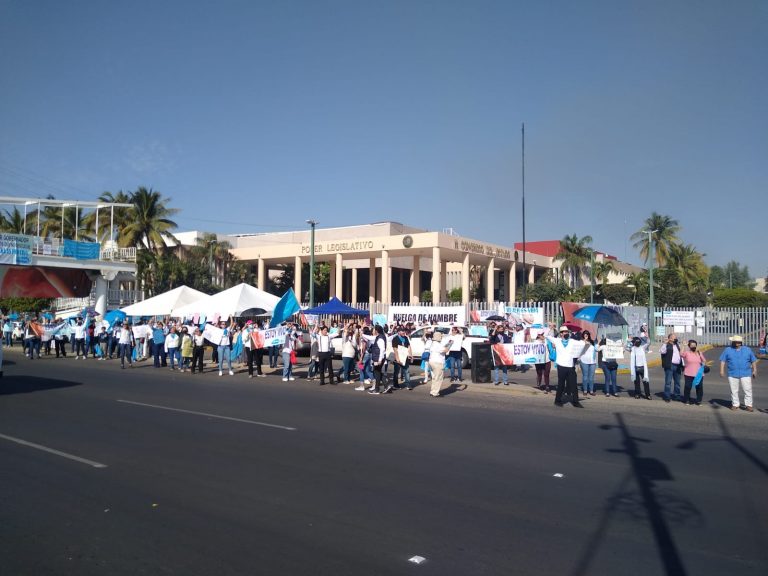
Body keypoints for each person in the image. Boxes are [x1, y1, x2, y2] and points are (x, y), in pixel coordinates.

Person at [546, 325, 583, 407]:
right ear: (561, 334)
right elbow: (547, 336)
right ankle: (558, 400)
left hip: (570, 366)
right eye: (565, 332)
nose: (566, 333)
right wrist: (550, 328)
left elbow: (581, 344)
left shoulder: (572, 341)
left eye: (567, 332)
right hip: (561, 366)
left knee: (573, 385)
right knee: (561, 385)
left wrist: (586, 342)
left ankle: (576, 402)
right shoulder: (557, 341)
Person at [719, 335, 757, 412]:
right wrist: (721, 371)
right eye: (736, 342)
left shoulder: (747, 349)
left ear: (741, 342)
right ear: (733, 342)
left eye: (739, 342)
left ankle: (748, 405)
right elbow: (723, 361)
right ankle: (735, 404)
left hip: (746, 373)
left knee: (747, 389)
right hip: (732, 373)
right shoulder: (727, 350)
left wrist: (755, 370)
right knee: (734, 390)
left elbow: (753, 360)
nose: (737, 343)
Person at [680, 339, 706, 406]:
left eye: (695, 345)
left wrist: (703, 365)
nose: (693, 346)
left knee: (699, 387)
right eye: (692, 345)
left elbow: (704, 360)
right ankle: (687, 400)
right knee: (688, 387)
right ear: (689, 346)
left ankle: (699, 401)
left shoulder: (699, 353)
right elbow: (681, 354)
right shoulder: (687, 353)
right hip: (688, 373)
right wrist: (683, 345)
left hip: (699, 374)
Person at [363, 325, 388, 394]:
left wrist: (380, 360)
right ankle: (386, 386)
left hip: (377, 358)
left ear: (376, 330)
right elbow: (370, 337)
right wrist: (362, 334)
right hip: (377, 358)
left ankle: (376, 389)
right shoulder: (378, 337)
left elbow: (382, 349)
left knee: (376, 373)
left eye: (374, 329)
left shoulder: (380, 338)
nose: (373, 331)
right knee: (378, 372)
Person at [428, 331, 453, 398]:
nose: (441, 338)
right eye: (441, 336)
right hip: (437, 362)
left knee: (434, 378)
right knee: (438, 378)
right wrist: (450, 344)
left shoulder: (433, 343)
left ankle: (433, 391)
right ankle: (435, 393)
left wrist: (447, 344)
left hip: (432, 361)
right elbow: (445, 350)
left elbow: (443, 349)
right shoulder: (437, 344)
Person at [659, 332, 683, 401]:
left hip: (678, 366)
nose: (675, 339)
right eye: (674, 338)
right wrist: (664, 343)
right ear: (670, 339)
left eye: (676, 338)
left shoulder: (677, 345)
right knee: (668, 382)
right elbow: (662, 351)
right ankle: (667, 396)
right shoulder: (667, 345)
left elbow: (680, 354)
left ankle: (677, 395)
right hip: (670, 366)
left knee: (677, 382)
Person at [579, 330, 597, 396]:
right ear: (583, 335)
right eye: (584, 334)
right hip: (584, 360)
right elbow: (580, 348)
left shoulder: (592, 342)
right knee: (585, 376)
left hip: (592, 361)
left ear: (589, 335)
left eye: (587, 334)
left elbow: (596, 349)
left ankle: (591, 390)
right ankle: (585, 390)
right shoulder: (581, 342)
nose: (586, 335)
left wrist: (599, 343)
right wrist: (584, 341)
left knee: (591, 377)